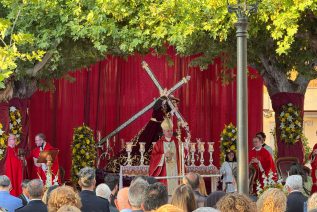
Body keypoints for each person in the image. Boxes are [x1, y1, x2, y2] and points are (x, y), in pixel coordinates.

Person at [148, 118, 179, 195]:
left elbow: (182, 155)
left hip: (175, 170)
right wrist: (163, 155)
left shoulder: (177, 142)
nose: (170, 132)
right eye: (168, 131)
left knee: (176, 192)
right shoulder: (159, 144)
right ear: (164, 131)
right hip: (165, 172)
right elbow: (153, 157)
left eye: (171, 130)